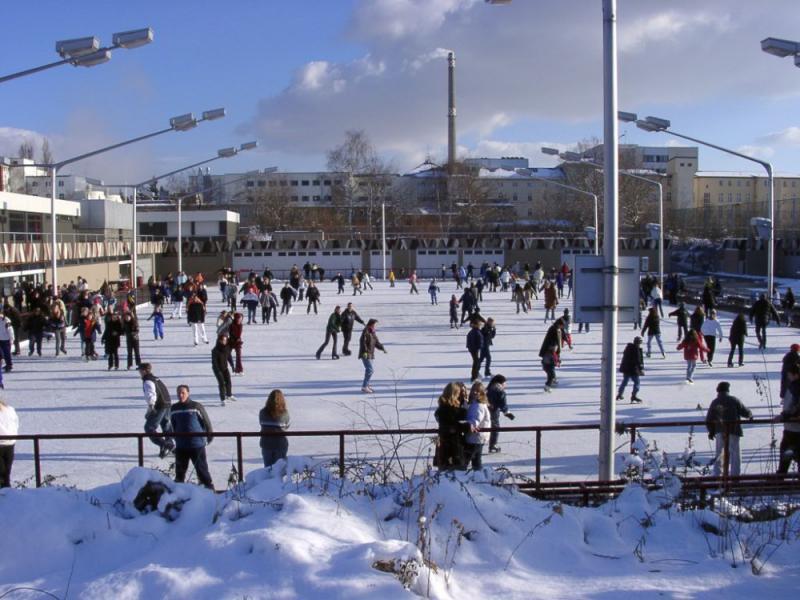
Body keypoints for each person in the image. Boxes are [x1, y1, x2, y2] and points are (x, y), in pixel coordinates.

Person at [170, 384, 214, 490]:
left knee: (202, 470)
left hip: (196, 444)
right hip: (181, 446)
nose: (180, 395)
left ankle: (209, 490)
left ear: (188, 393)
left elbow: (206, 422)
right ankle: (179, 494)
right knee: (180, 472)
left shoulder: (196, 406)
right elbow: (173, 425)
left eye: (183, 393)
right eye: (179, 393)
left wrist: (209, 436)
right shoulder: (174, 408)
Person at [705, 381, 752, 477]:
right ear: (728, 390)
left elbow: (709, 419)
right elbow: (745, 412)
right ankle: (735, 475)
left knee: (720, 453)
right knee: (735, 454)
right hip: (733, 430)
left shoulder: (715, 402)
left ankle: (718, 474)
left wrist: (711, 431)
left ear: (718, 391)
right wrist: (750, 415)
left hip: (719, 431)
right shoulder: (733, 400)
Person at [138, 363, 176, 458]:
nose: (139, 372)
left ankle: (166, 445)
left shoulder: (148, 381)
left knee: (149, 428)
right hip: (167, 403)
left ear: (144, 371)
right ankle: (170, 445)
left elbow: (151, 394)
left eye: (140, 370)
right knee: (166, 425)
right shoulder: (156, 378)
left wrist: (151, 406)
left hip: (159, 406)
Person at [434, 382, 469, 471]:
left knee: (443, 473)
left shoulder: (441, 408)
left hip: (443, 445)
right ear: (455, 394)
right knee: (456, 473)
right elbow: (458, 423)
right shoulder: (453, 410)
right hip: (453, 447)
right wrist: (465, 402)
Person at [777, 363, 800, 474]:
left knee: (786, 452)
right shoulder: (793, 386)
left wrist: (785, 415)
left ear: (795, 375)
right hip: (792, 426)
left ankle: (781, 478)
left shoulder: (795, 387)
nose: (788, 376)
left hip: (793, 427)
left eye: (790, 374)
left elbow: (796, 406)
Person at [259, 389, 290, 467]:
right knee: (279, 470)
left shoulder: (262, 412)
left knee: (268, 469)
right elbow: (286, 426)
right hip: (280, 444)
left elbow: (261, 423)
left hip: (266, 443)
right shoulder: (284, 413)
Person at [465, 381, 491, 470]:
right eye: (473, 390)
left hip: (476, 437)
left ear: (482, 393)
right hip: (477, 437)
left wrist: (466, 425)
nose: (475, 392)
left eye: (478, 391)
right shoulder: (475, 404)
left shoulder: (478, 406)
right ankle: (478, 477)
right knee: (476, 460)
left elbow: (475, 420)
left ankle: (477, 477)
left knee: (469, 460)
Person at [486, 374, 514, 453]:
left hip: (484, 410)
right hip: (493, 411)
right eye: (505, 382)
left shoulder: (489, 388)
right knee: (495, 428)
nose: (505, 384)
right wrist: (507, 412)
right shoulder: (500, 391)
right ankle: (493, 445)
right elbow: (502, 403)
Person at [359, 318, 386, 393]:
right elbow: (362, 342)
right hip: (366, 354)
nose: (375, 326)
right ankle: (364, 386)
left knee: (369, 370)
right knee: (370, 370)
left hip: (371, 354)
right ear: (371, 324)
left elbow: (376, 342)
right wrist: (364, 352)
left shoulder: (373, 332)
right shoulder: (366, 331)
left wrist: (382, 348)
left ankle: (366, 385)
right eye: (374, 324)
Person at [617, 336, 645, 403]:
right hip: (633, 369)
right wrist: (641, 369)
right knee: (637, 382)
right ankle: (634, 396)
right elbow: (637, 360)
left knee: (624, 382)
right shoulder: (636, 349)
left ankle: (619, 394)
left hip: (626, 368)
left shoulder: (628, 348)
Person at [212, 334, 235, 405]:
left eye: (225, 340)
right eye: (223, 340)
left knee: (228, 381)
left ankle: (229, 395)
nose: (224, 341)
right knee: (222, 383)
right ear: (219, 341)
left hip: (225, 368)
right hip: (217, 369)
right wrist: (218, 371)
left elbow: (229, 357)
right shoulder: (215, 350)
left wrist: (232, 365)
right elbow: (214, 362)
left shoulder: (227, 348)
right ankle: (223, 399)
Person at [0, 400, 19, 487]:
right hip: (10, 443)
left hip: (4, 442)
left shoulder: (9, 410)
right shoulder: (10, 410)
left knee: (3, 474)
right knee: (6, 473)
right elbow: (16, 423)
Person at [466, 318, 484, 382]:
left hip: (473, 348)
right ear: (476, 325)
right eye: (479, 324)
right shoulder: (475, 331)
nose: (480, 325)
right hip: (474, 349)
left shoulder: (476, 331)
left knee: (477, 361)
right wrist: (478, 347)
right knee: (476, 362)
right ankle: (474, 376)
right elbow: (474, 341)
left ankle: (475, 374)